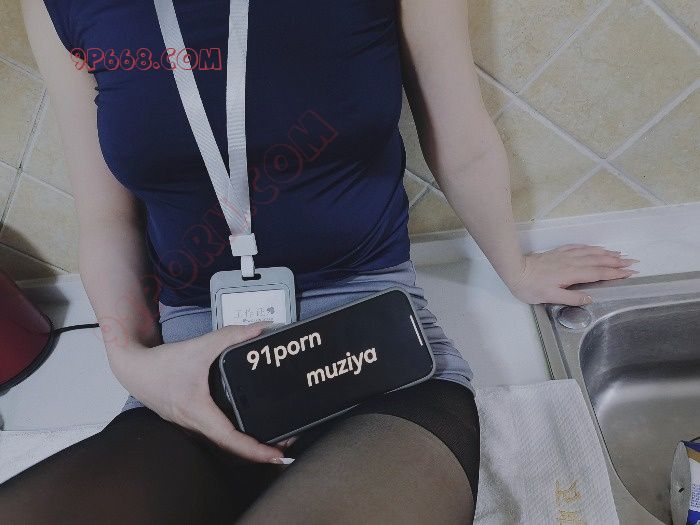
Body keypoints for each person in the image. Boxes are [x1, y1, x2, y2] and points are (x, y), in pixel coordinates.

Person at [1, 1, 637, 523]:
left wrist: (516, 268)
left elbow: (461, 139)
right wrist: (133, 363)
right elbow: (106, 219)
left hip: (380, 355)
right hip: (196, 371)